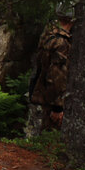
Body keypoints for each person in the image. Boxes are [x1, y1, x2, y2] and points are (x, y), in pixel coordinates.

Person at [27, 7, 73, 136]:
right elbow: (57, 77)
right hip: (50, 100)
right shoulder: (61, 42)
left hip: (40, 92)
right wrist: (58, 108)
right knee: (49, 140)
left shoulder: (49, 32)